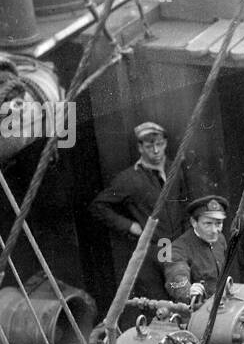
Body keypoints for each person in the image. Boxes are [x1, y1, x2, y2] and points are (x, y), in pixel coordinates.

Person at [88, 122, 188, 302]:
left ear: (166, 143)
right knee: (159, 306)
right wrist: (129, 226)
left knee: (184, 298)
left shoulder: (175, 169)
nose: (156, 151)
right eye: (150, 146)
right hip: (150, 252)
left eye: (160, 145)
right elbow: (98, 206)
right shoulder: (128, 179)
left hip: (177, 249)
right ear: (140, 148)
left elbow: (183, 204)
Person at [163, 195, 232, 304]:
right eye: (208, 224)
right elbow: (175, 280)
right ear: (194, 222)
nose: (214, 230)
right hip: (196, 312)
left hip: (222, 306)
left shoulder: (220, 239)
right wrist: (188, 291)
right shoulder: (177, 248)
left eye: (218, 223)